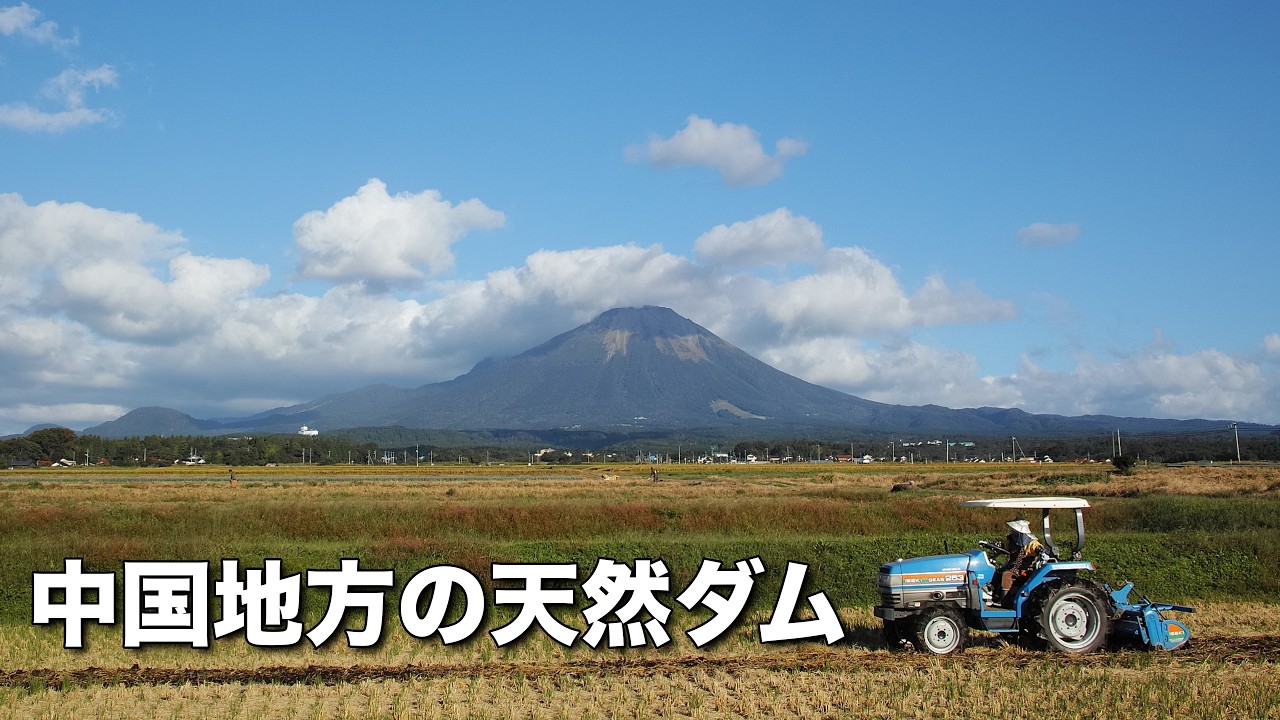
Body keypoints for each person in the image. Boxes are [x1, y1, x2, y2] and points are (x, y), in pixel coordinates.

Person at [994, 518, 1043, 605]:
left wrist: (1038, 549)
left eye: (1014, 531)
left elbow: (1036, 547)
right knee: (996, 573)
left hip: (1023, 570)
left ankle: (1004, 601)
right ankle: (995, 596)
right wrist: (997, 544)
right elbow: (1005, 545)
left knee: (1007, 575)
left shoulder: (1030, 543)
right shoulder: (1013, 541)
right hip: (1012, 567)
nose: (1012, 532)